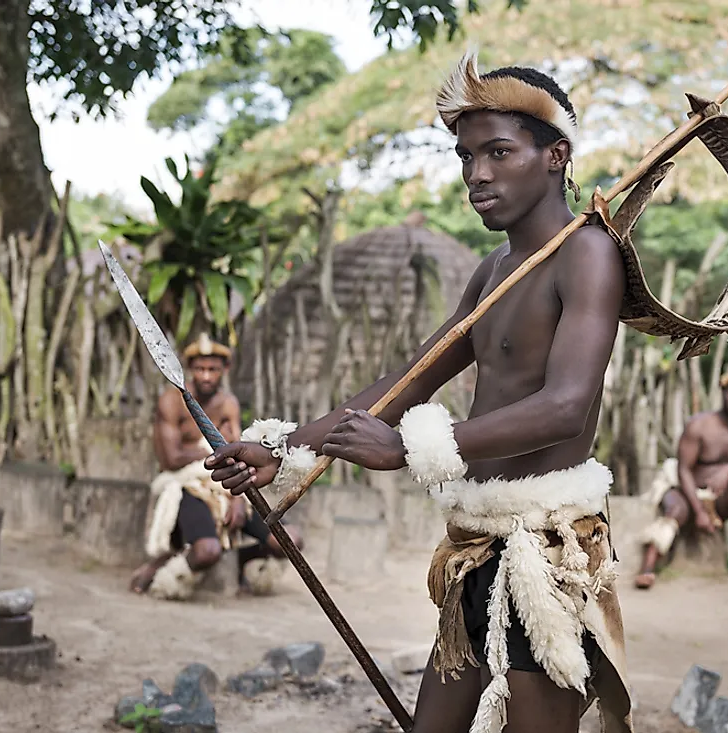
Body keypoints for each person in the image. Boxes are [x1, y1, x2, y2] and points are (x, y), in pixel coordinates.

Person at [205, 51, 646, 733]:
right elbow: (411, 380)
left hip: (547, 548)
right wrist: (285, 447)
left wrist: (410, 447)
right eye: (466, 156)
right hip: (476, 539)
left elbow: (566, 406)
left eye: (498, 152)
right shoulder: (494, 268)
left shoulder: (587, 253)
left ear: (556, 155)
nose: (477, 174)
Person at [128, 334, 303, 599]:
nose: (206, 376)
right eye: (200, 369)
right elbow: (171, 459)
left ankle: (242, 560)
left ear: (225, 370)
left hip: (225, 484)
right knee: (207, 550)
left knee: (289, 539)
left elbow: (237, 456)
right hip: (186, 484)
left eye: (213, 369)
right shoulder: (171, 402)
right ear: (190, 370)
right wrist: (207, 452)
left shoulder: (228, 404)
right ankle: (165, 569)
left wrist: (236, 498)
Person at [634, 363, 728, 591]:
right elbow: (683, 470)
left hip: (723, 499)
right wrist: (698, 511)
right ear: (723, 393)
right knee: (674, 509)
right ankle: (647, 569)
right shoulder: (699, 425)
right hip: (688, 493)